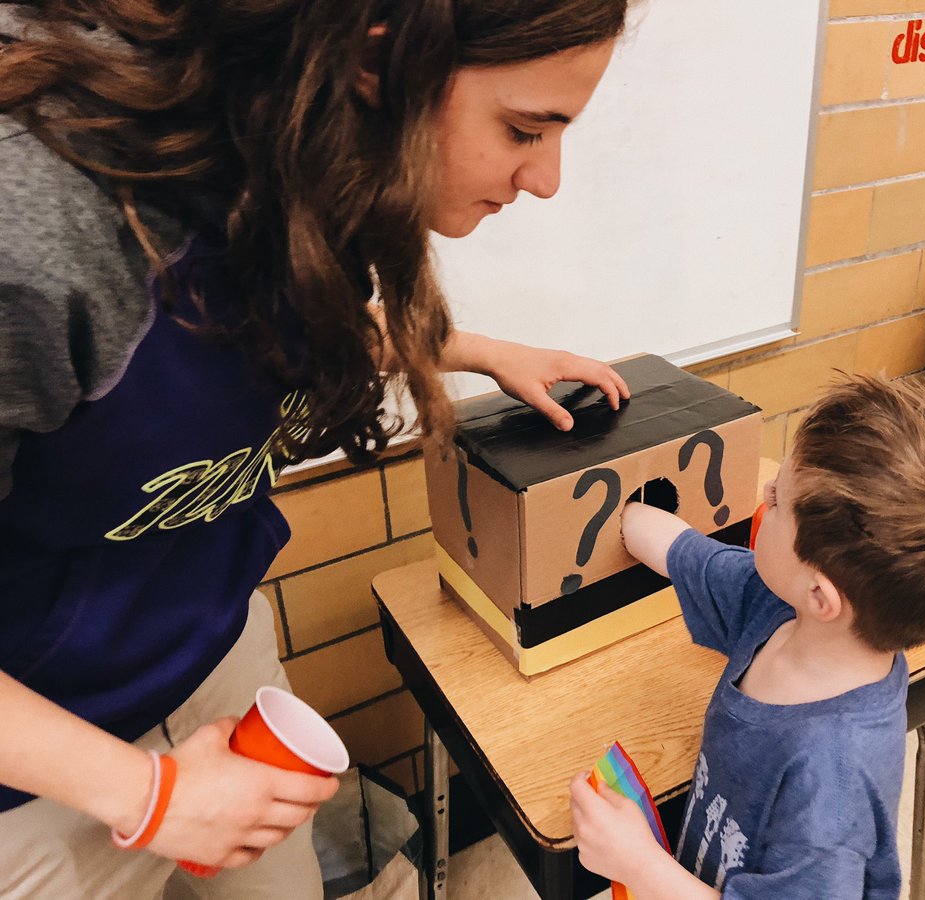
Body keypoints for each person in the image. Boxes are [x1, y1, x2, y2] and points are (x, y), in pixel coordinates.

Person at [0, 1, 630, 897]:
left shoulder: (291, 142)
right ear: (377, 61)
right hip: (33, 764)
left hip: (206, 643)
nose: (546, 179)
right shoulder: (39, 224)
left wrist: (477, 351)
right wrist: (146, 798)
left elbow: (264, 321)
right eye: (524, 128)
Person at [570, 375, 925, 898]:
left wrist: (640, 866)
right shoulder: (783, 607)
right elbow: (685, 553)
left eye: (780, 500)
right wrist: (616, 510)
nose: (766, 492)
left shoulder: (832, 785)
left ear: (822, 596)